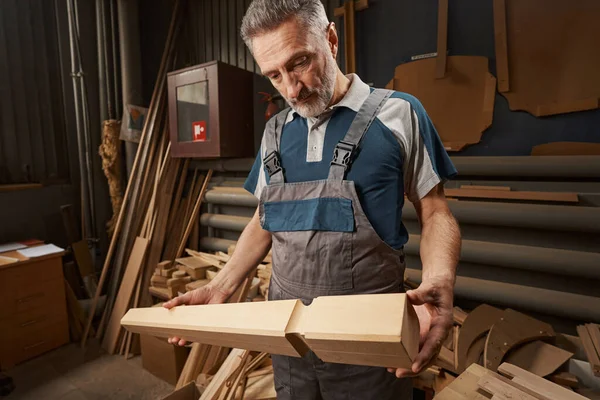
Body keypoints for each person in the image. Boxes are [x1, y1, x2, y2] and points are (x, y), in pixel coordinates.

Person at [164, 0, 461, 398]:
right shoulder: (274, 133)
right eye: (274, 75)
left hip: (369, 344)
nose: (291, 88)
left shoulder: (399, 114)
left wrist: (439, 278)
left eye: (299, 62)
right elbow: (263, 219)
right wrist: (221, 286)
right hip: (289, 343)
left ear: (331, 40)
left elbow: (435, 209)